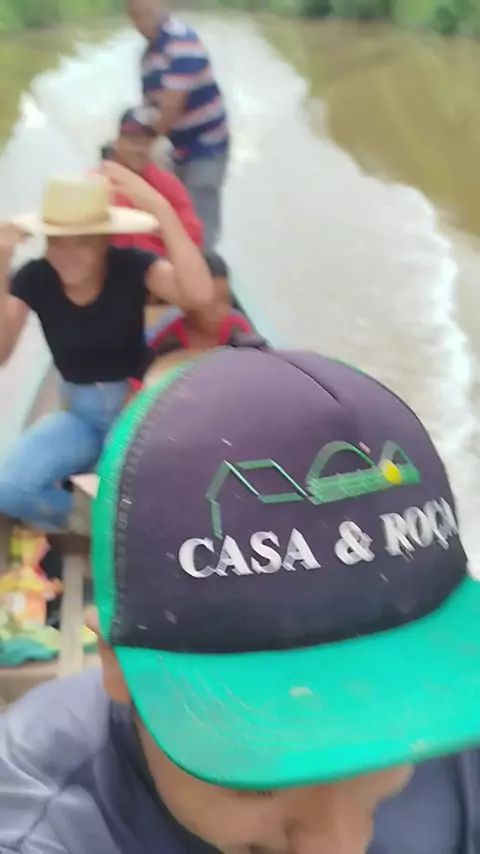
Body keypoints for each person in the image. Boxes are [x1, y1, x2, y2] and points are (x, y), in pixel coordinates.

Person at [1, 345, 480, 854]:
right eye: (256, 780)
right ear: (112, 660)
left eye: (386, 738)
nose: (339, 844)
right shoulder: (44, 824)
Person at [0, 161, 213, 533]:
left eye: (80, 242)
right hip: (79, 416)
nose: (65, 254)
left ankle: (122, 518)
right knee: (10, 489)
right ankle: (102, 526)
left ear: (104, 240)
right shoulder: (36, 276)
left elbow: (199, 295)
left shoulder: (132, 266)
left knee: (165, 495)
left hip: (136, 410)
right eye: (56, 241)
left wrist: (161, 210)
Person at [127, 0, 229, 251]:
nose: (141, 21)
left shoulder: (182, 42)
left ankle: (203, 264)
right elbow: (149, 107)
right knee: (174, 210)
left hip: (207, 143)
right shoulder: (148, 56)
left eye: (146, 12)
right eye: (135, 15)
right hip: (176, 145)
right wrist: (131, 142)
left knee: (199, 216)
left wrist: (140, 147)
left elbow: (171, 107)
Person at [108, 106, 204, 255]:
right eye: (133, 141)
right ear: (118, 142)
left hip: (164, 264)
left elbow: (193, 237)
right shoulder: (98, 184)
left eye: (146, 142)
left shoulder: (170, 185)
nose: (139, 149)